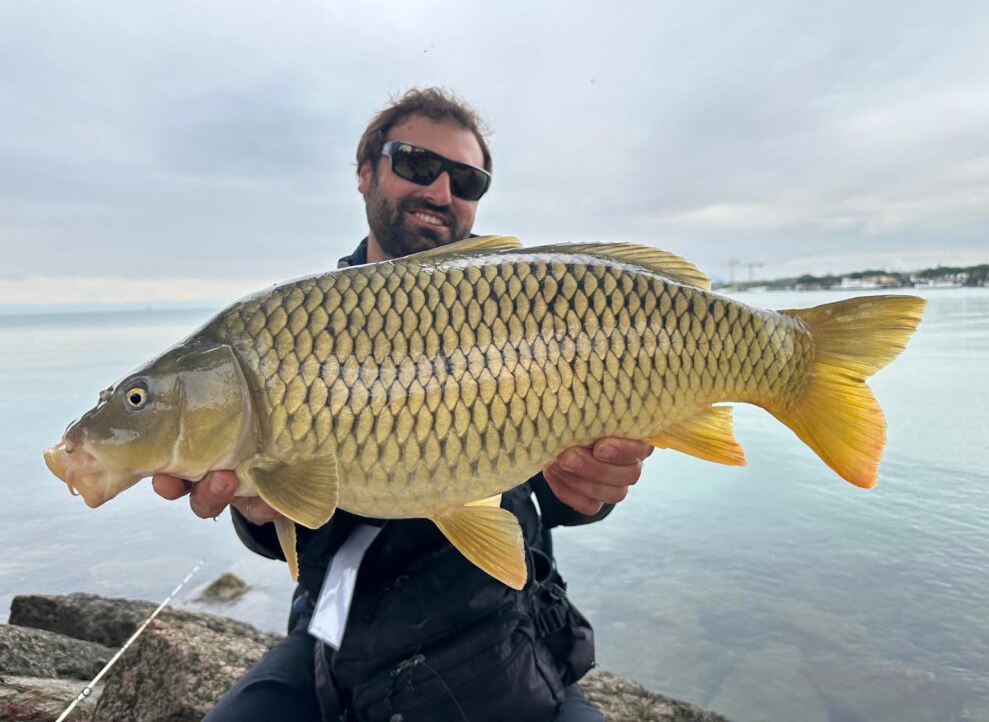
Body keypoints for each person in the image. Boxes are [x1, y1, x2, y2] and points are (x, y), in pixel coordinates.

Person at [153, 87, 653, 722]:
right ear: (365, 172)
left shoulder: (522, 311)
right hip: (336, 641)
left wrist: (593, 488)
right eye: (418, 164)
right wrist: (259, 509)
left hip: (501, 632)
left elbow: (544, 496)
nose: (442, 191)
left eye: (468, 180)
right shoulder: (294, 329)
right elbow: (294, 532)